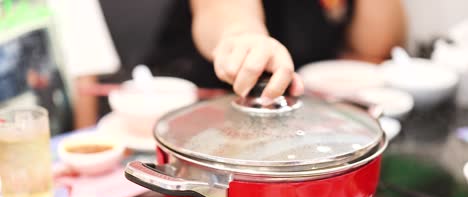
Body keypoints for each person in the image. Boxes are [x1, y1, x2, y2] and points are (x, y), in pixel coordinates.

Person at [69, 0, 406, 127]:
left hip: (286, 118)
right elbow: (222, 12)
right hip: (187, 111)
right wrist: (244, 38)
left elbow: (378, 44)